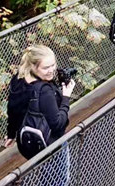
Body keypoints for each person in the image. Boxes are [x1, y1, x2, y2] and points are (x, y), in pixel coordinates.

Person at [6, 45, 75, 184]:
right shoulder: (44, 91)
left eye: (53, 65)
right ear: (33, 66)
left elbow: (13, 109)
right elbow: (58, 124)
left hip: (29, 143)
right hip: (51, 144)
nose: (51, 70)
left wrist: (11, 133)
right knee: (59, 180)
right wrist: (66, 97)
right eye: (46, 68)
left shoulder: (18, 80)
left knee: (46, 176)